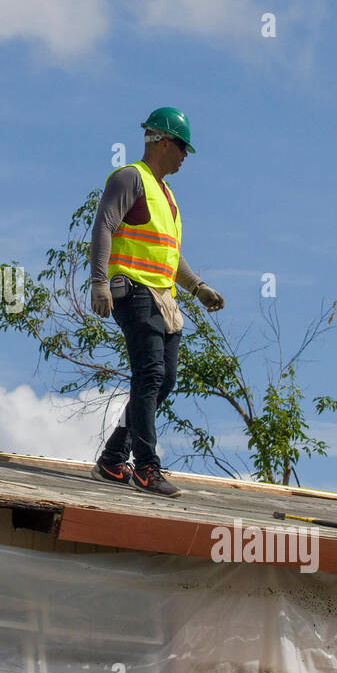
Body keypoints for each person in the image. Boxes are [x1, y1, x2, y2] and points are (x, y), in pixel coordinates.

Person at [89, 107, 225, 496]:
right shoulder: (130, 178)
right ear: (164, 142)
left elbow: (169, 253)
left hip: (163, 299)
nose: (185, 156)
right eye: (182, 147)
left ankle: (113, 458)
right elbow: (104, 226)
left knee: (164, 380)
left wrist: (197, 287)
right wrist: (99, 282)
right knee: (148, 376)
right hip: (133, 292)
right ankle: (147, 468)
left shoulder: (166, 195)